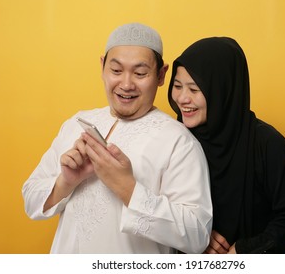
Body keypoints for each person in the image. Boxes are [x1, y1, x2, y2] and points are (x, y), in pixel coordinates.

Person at [22, 23, 212, 254]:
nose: (126, 84)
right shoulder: (76, 123)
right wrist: (66, 182)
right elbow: (31, 200)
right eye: (116, 70)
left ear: (161, 75)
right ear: (102, 66)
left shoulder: (180, 142)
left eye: (140, 73)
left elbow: (197, 234)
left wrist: (127, 187)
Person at [168, 37, 285, 254]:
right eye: (177, 86)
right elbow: (162, 208)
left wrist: (244, 251)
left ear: (223, 90)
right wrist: (195, 235)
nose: (182, 98)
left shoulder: (266, 144)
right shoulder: (176, 139)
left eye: (194, 89)